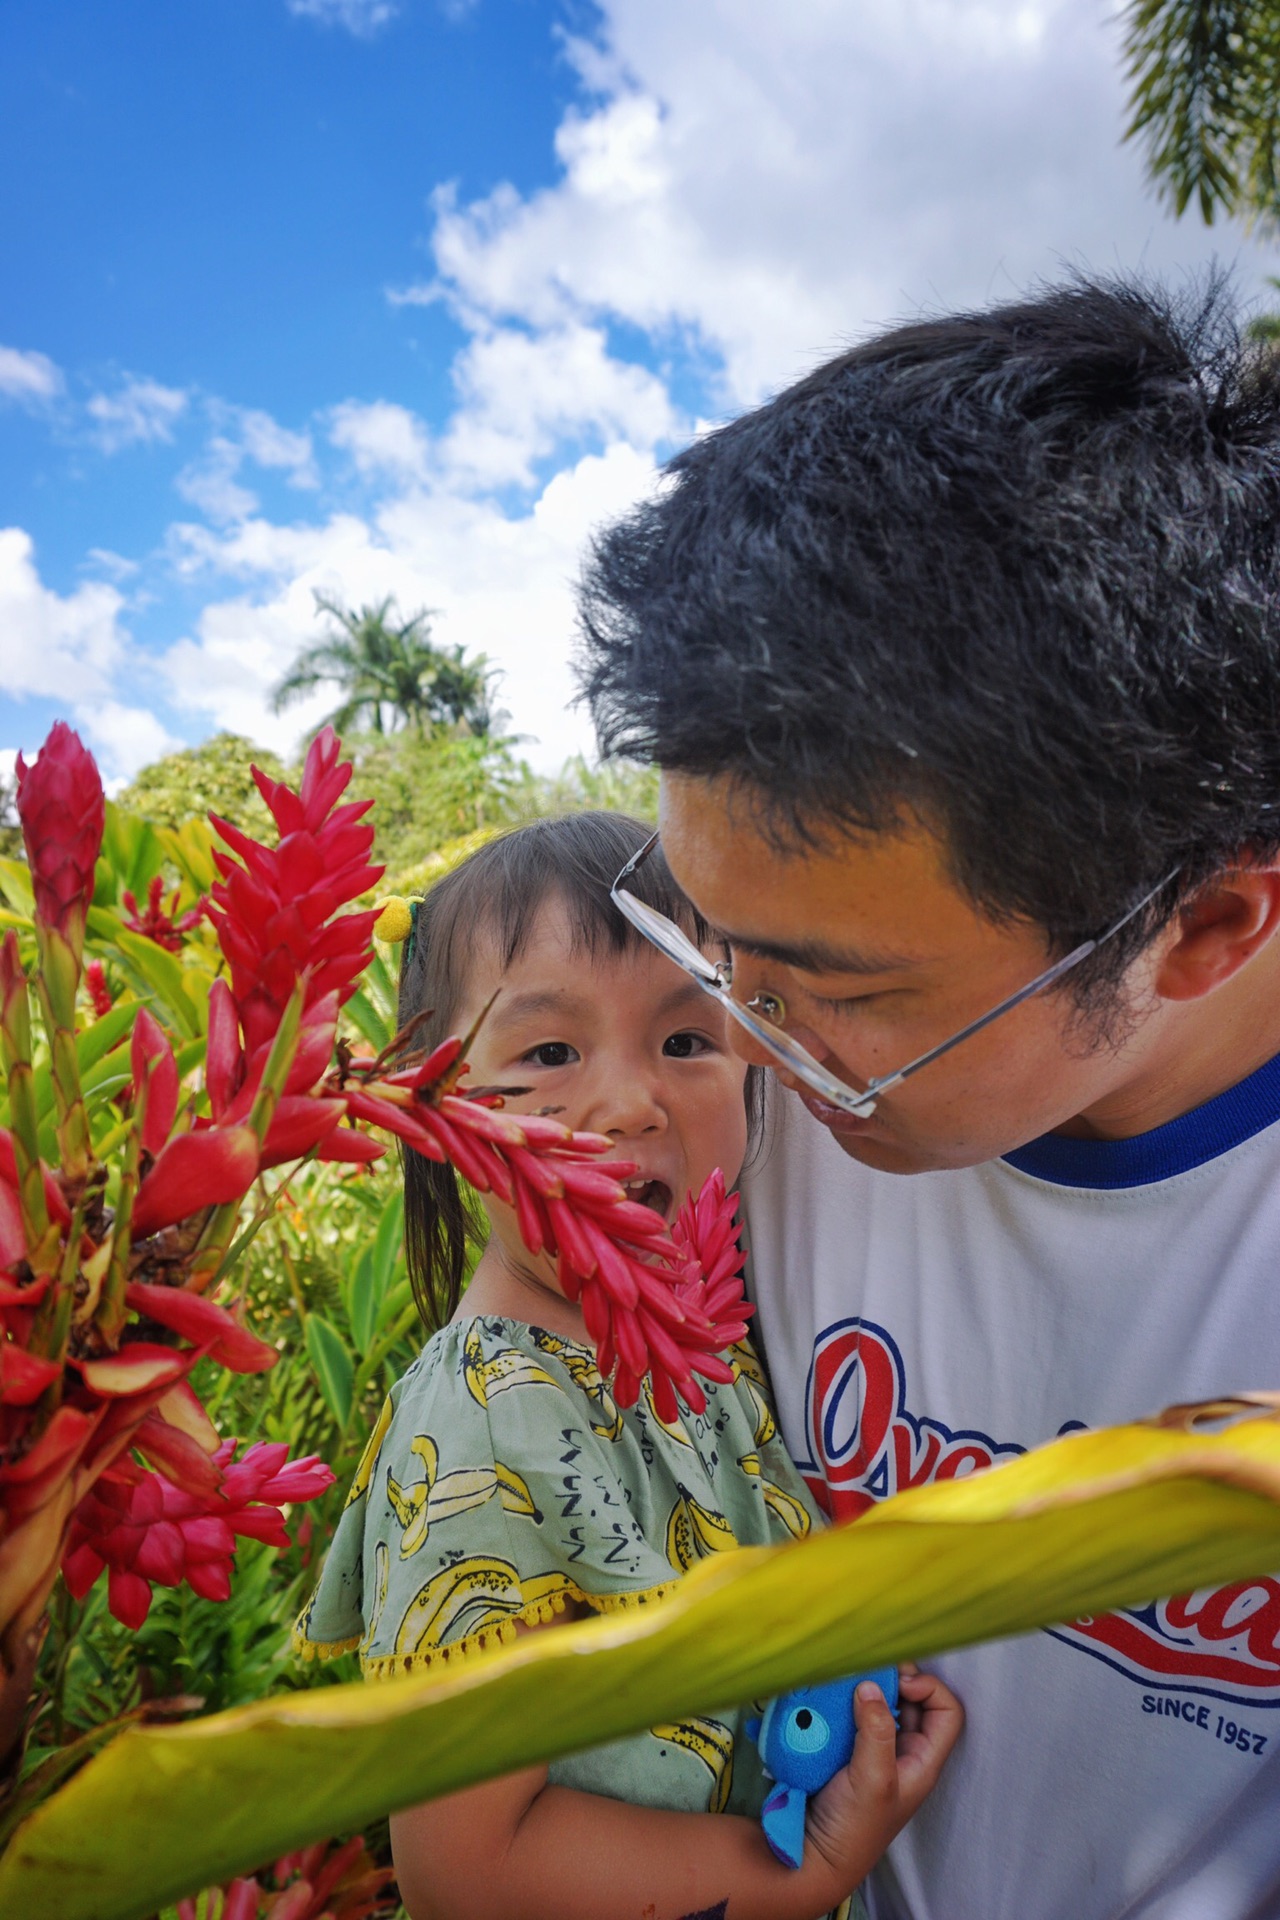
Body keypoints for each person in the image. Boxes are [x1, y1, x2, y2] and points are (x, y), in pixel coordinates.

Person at [579, 276, 1280, 1920]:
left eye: (838, 988)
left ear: (1203, 928)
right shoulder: (754, 1114)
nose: (734, 1030)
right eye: (699, 931)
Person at [294, 813, 961, 1920]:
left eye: (686, 1040)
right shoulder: (486, 1424)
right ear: (433, 1105)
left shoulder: (696, 1341)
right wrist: (818, 1866)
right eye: (549, 1052)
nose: (628, 1102)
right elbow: (471, 1871)